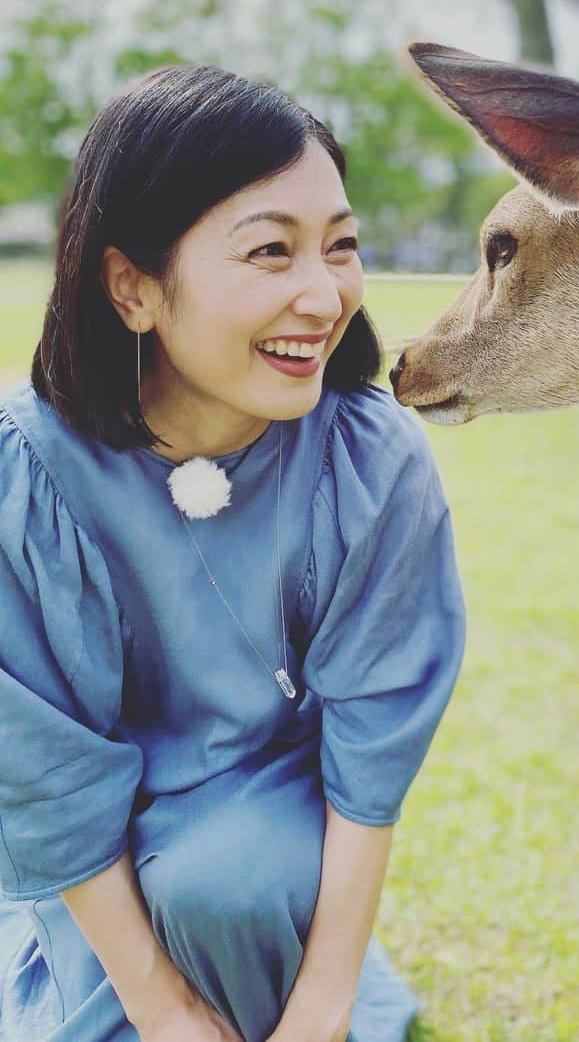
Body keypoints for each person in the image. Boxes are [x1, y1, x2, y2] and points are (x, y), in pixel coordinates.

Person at [0, 65, 467, 1041]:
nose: (322, 293)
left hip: (259, 816)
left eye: (342, 248)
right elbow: (42, 772)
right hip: (72, 843)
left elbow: (370, 755)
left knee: (237, 886)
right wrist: (163, 1011)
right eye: (270, 252)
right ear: (132, 286)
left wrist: (323, 1004)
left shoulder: (371, 461)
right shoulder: (28, 470)